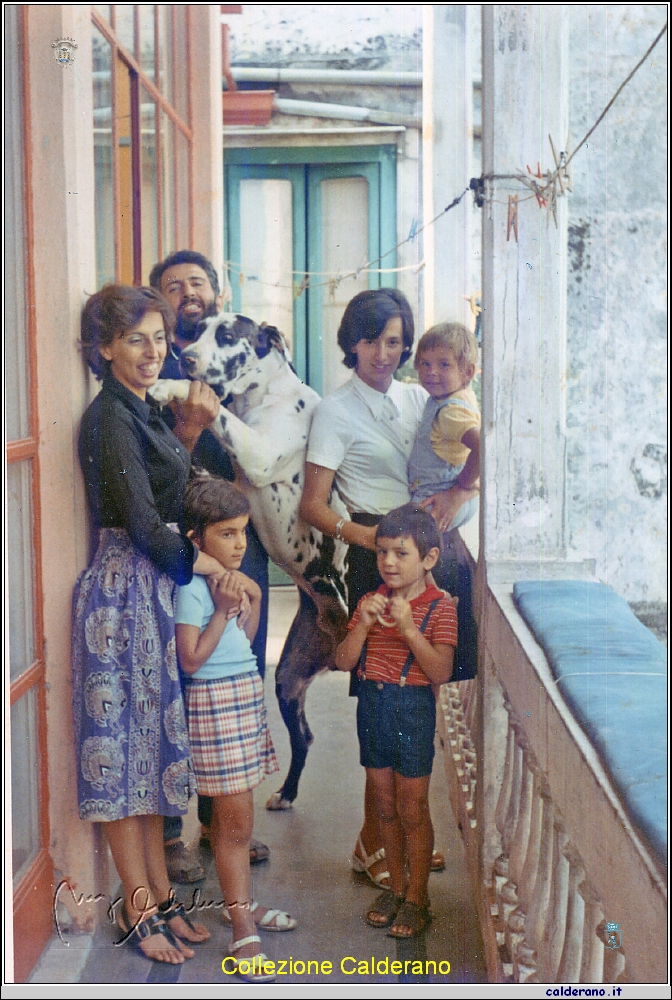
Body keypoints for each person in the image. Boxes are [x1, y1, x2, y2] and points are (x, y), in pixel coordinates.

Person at [73, 284, 219, 963]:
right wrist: (210, 567)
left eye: (159, 338)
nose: (153, 351)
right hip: (124, 591)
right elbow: (139, 518)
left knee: (150, 758)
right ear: (105, 348)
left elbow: (172, 492)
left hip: (150, 587)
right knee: (126, 761)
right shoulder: (109, 418)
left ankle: (160, 901)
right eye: (136, 339)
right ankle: (136, 913)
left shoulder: (146, 411)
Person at [299, 288, 446, 886]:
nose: (384, 353)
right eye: (371, 340)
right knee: (383, 711)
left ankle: (398, 834)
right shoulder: (335, 411)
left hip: (428, 568)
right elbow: (312, 504)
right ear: (350, 342)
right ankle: (375, 848)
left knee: (419, 702)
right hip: (378, 568)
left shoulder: (420, 398)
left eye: (394, 340)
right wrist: (372, 542)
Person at [149, 250, 271, 879]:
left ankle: (228, 820)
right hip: (185, 542)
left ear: (218, 293)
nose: (188, 293)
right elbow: (158, 476)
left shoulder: (240, 353)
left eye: (198, 283)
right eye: (174, 286)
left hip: (242, 535)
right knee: (187, 686)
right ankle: (180, 832)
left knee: (238, 663)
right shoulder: (159, 368)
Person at [175, 475, 296, 982]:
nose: (240, 543)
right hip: (214, 703)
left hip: (242, 695)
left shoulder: (232, 581)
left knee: (239, 822)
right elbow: (191, 661)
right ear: (195, 539)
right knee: (234, 825)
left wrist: (250, 602)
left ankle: (236, 904)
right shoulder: (190, 588)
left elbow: (244, 643)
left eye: (243, 531)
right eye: (226, 533)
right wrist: (224, 610)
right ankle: (242, 930)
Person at [335, 504, 457, 937]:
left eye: (401, 553)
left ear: (428, 559)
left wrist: (408, 630)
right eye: (382, 552)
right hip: (372, 705)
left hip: (412, 709)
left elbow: (439, 672)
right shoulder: (371, 602)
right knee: (383, 802)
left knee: (413, 807)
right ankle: (397, 887)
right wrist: (362, 628)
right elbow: (344, 660)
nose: (388, 562)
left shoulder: (441, 607)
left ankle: (418, 896)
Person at [409, 322, 480, 681]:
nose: (432, 372)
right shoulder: (450, 401)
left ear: (468, 371)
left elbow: (483, 445)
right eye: (425, 363)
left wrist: (460, 488)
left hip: (438, 509)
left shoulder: (450, 411)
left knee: (428, 593)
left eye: (444, 364)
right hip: (445, 506)